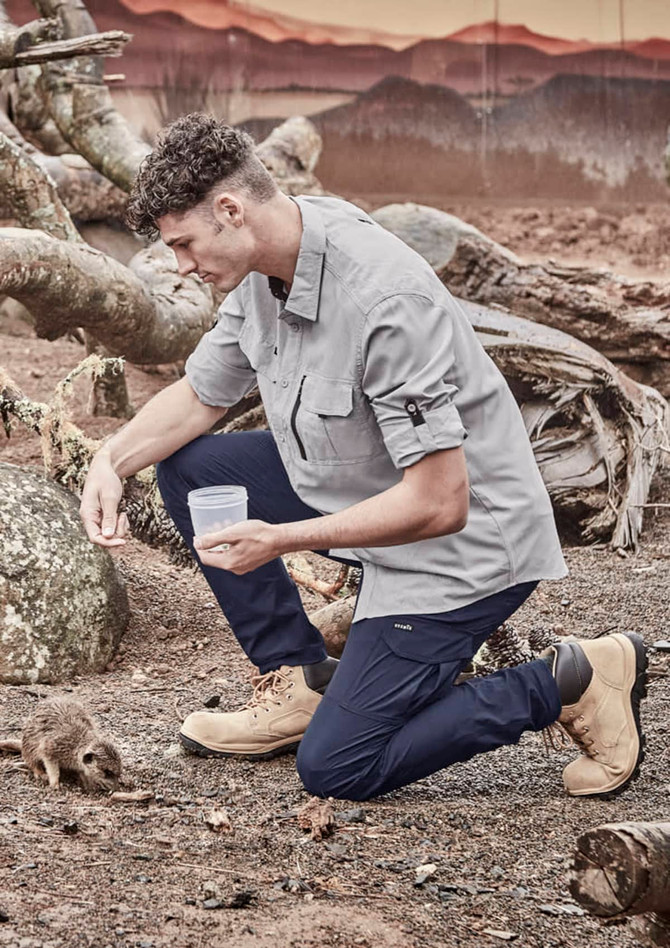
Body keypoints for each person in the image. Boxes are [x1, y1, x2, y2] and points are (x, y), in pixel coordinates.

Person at [79, 114, 647, 802]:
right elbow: (201, 395)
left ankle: (573, 681)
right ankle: (301, 681)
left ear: (230, 211)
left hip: (462, 548)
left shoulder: (381, 300)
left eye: (184, 244)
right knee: (195, 469)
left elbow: (440, 502)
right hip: (363, 495)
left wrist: (283, 539)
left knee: (339, 767)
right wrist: (111, 459)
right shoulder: (268, 263)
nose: (182, 266)